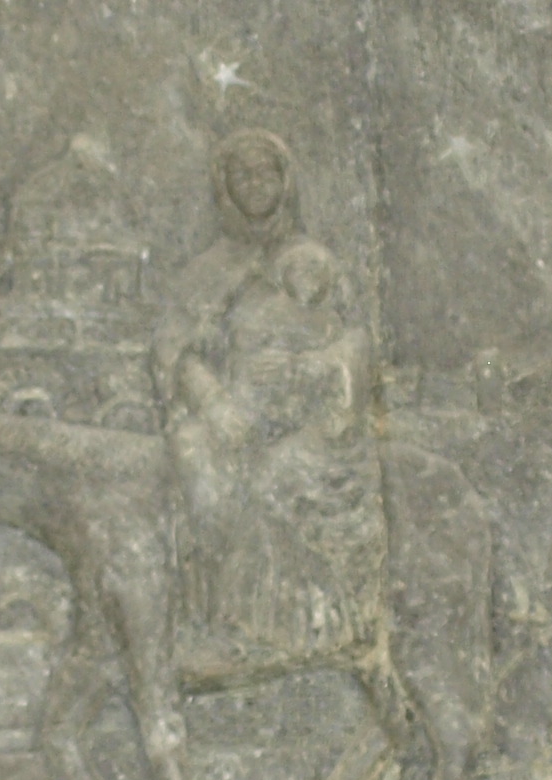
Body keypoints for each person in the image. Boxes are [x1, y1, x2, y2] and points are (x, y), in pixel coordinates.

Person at [154, 132, 385, 688]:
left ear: (286, 181)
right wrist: (215, 404)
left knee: (282, 474)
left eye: (267, 173)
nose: (256, 184)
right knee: (192, 454)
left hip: (310, 418)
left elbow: (357, 342)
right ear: (225, 187)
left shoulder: (317, 263)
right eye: (244, 174)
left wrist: (318, 367)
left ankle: (308, 626)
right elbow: (176, 353)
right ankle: (220, 618)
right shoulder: (207, 272)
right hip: (235, 412)